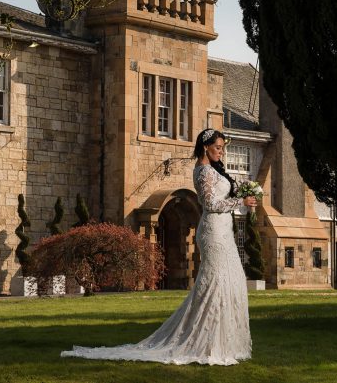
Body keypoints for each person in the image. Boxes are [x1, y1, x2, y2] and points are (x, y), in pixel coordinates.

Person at [60, 128, 257, 365]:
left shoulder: (216, 170)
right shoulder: (203, 171)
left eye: (223, 148)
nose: (221, 152)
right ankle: (204, 340)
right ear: (206, 147)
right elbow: (209, 202)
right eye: (218, 147)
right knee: (214, 283)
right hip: (213, 233)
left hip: (224, 231)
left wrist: (247, 194)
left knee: (231, 280)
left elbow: (222, 197)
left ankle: (225, 340)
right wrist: (240, 201)